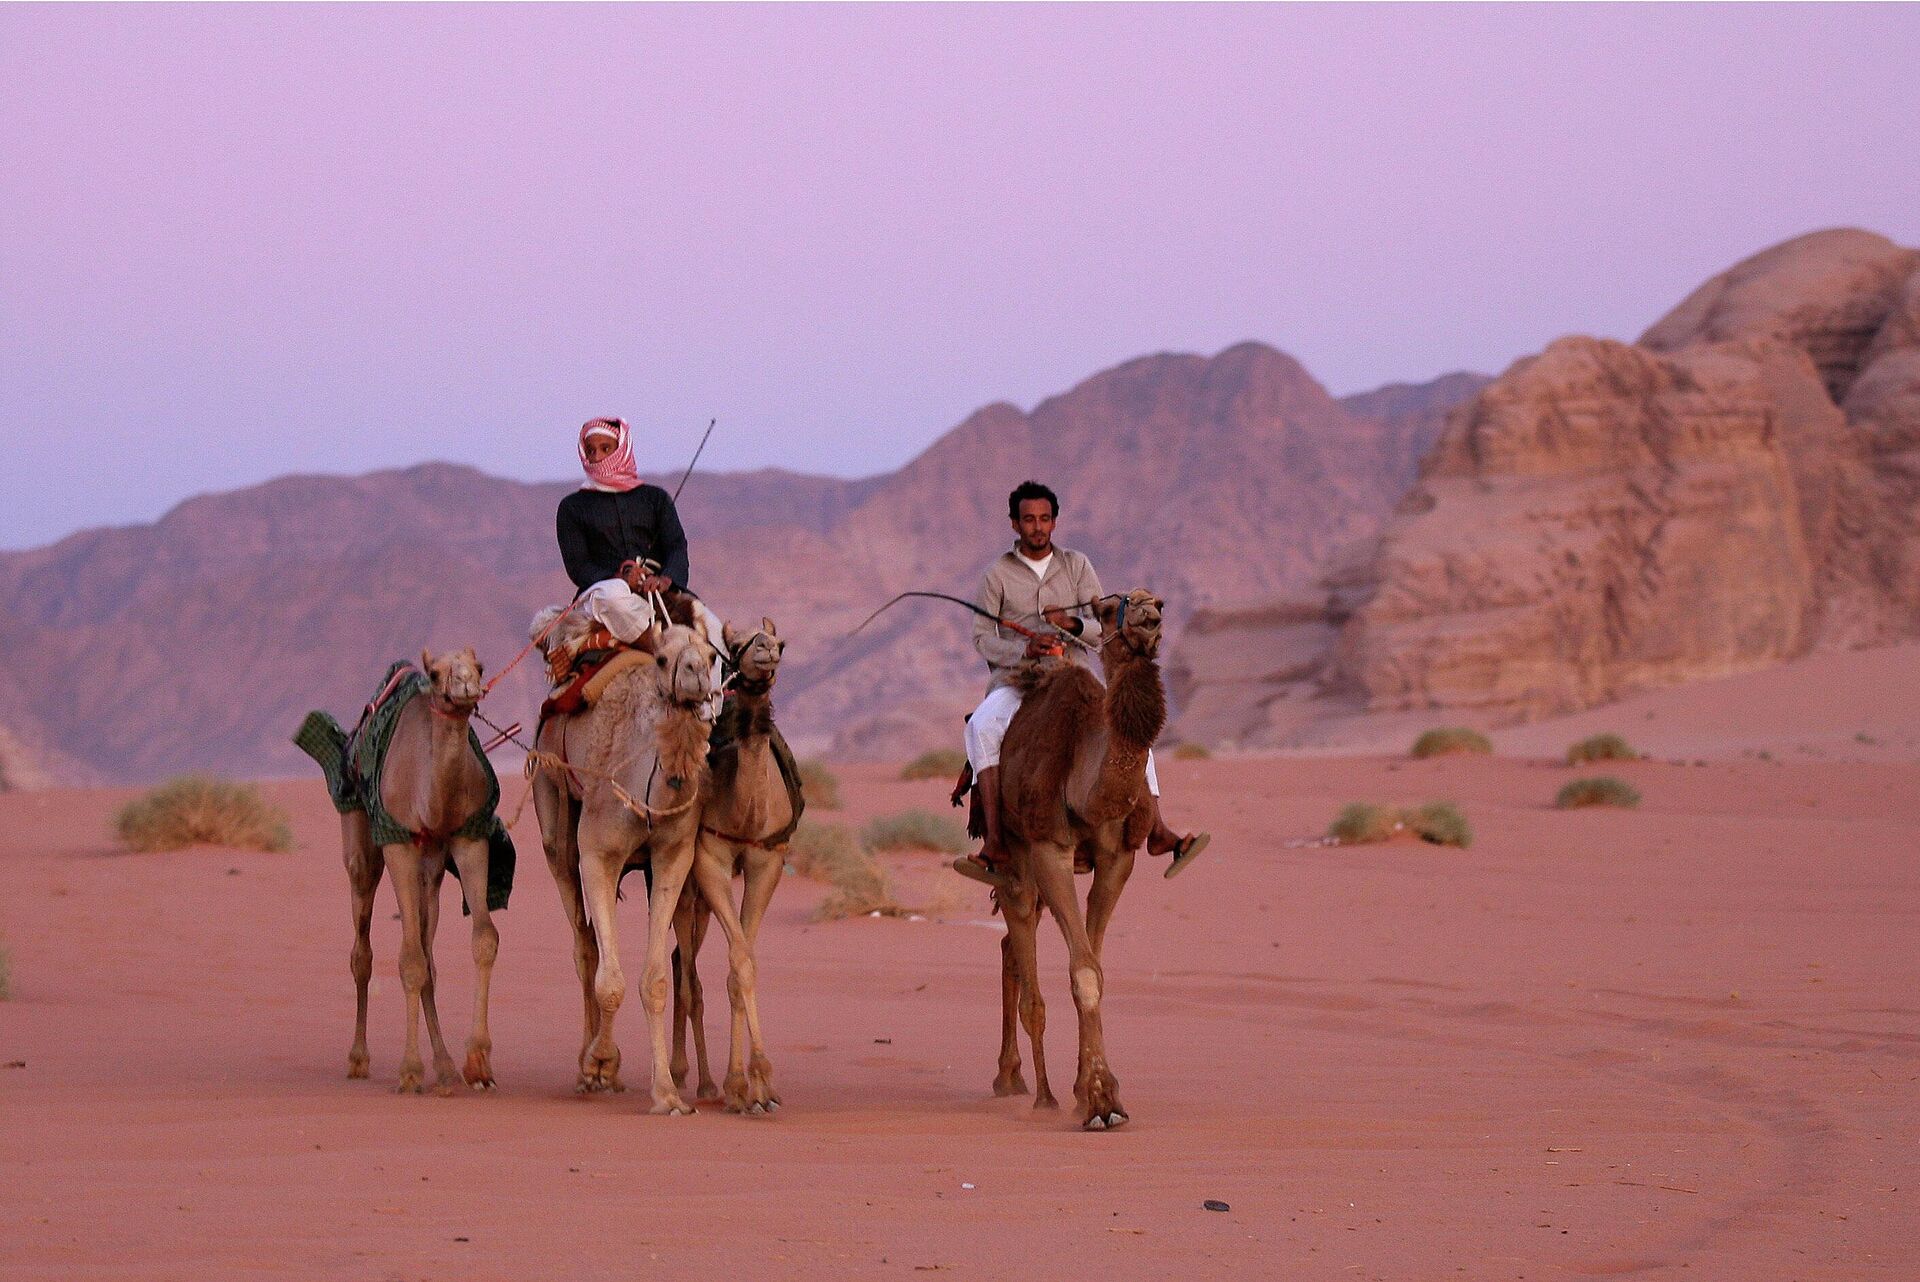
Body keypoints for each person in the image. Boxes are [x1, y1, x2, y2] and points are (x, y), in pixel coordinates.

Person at [955, 480, 1207, 886]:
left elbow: (1103, 627)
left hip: (1074, 677)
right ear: (1014, 524)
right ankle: (997, 844)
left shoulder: (1078, 567)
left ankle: (1158, 831)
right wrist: (1026, 650)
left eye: (1044, 519)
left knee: (1129, 730)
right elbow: (983, 638)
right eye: (1028, 520)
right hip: (1019, 681)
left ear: (1054, 522)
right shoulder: (996, 575)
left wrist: (1071, 624)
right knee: (980, 727)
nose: (1037, 527)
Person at [544, 417, 724, 688]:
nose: (597, 456)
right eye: (590, 450)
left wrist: (666, 579)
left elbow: (676, 546)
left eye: (606, 449)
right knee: (612, 596)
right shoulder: (572, 507)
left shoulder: (655, 499)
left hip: (659, 592)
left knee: (714, 629)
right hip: (605, 594)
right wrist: (620, 575)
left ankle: (713, 709)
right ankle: (664, 652)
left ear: (622, 448)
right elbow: (578, 566)